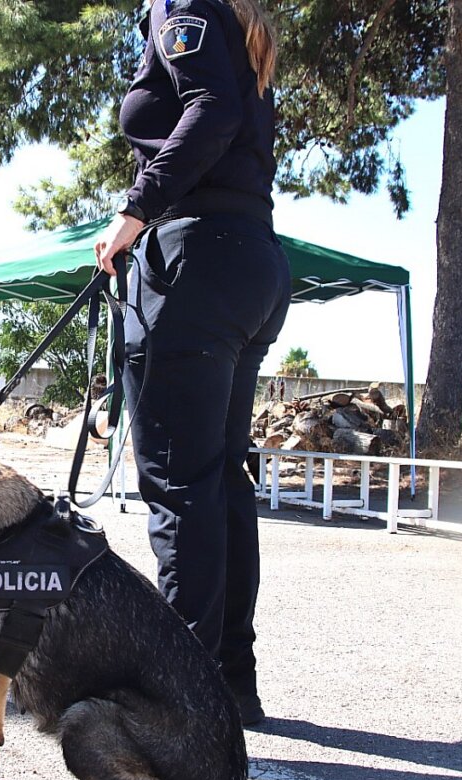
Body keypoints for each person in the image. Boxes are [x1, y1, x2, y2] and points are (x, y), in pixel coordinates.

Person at [95, 0, 288, 727]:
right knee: (218, 482)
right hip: (251, 257)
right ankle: (230, 682)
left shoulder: (182, 4)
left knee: (181, 485)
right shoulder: (234, 18)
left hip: (196, 258)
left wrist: (135, 211)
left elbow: (210, 112)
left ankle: (180, 700)